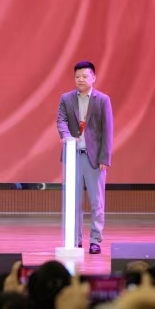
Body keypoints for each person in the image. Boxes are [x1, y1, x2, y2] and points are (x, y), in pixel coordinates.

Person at [56, 61, 113, 255]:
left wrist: (105, 158)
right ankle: (75, 239)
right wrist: (66, 137)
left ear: (93, 78)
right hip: (72, 157)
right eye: (77, 76)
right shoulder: (66, 98)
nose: (80, 80)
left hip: (94, 159)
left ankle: (95, 240)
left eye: (84, 76)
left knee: (97, 202)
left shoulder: (102, 100)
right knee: (73, 202)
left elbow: (107, 130)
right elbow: (61, 120)